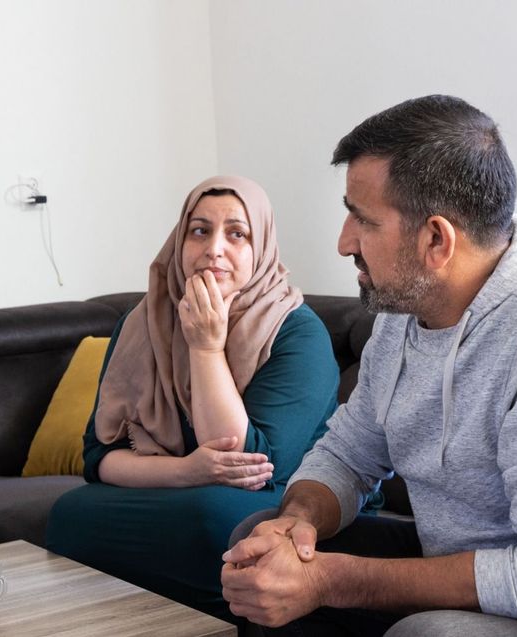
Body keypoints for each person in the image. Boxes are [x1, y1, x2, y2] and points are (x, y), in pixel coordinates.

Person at [221, 95, 517, 636]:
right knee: (260, 544)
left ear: (436, 239)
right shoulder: (408, 302)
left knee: (428, 635)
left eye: (363, 220)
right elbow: (348, 452)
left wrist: (329, 581)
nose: (343, 243)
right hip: (464, 564)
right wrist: (298, 523)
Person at [47, 175, 339, 621]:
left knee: (217, 516)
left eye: (236, 234)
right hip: (181, 490)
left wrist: (205, 346)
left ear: (261, 246)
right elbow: (98, 457)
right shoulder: (142, 322)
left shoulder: (298, 331)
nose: (214, 248)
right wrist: (185, 471)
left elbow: (251, 466)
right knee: (68, 511)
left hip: (286, 497)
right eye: (199, 230)